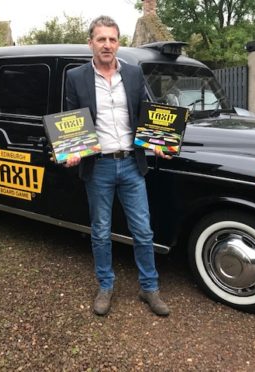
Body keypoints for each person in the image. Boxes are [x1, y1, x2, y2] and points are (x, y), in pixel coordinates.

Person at [64, 15, 170, 316]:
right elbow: (72, 119)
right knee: (100, 231)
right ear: (91, 44)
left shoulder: (135, 74)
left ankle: (149, 289)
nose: (107, 45)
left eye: (112, 39)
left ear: (118, 43)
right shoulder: (76, 77)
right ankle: (105, 286)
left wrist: (159, 142)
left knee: (143, 230)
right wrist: (73, 150)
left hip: (131, 165)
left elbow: (148, 112)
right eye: (101, 39)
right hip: (98, 167)